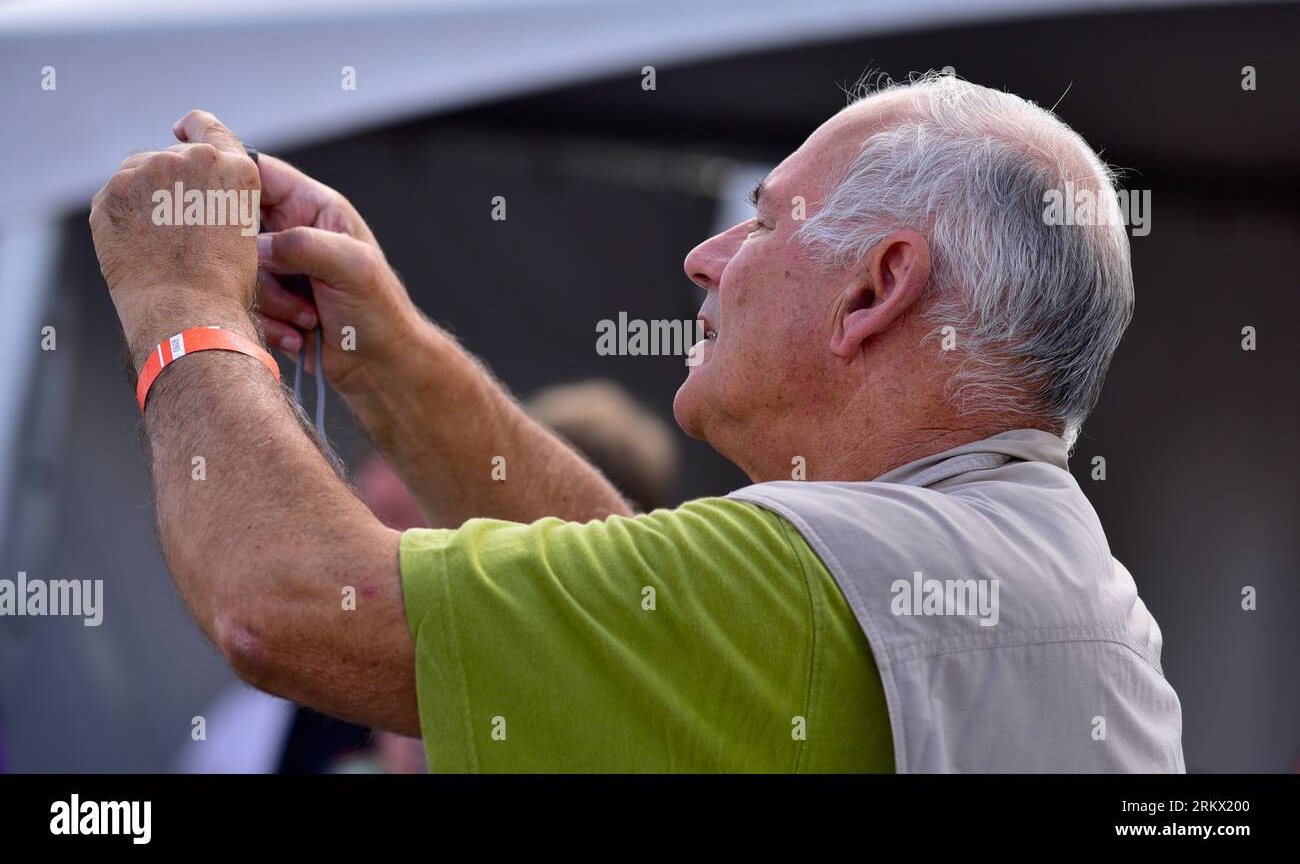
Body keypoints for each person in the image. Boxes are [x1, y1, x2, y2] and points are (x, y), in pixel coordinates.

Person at [88, 72, 1184, 772]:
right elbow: (650, 613)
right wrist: (388, 352)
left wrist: (176, 299)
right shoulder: (1023, 566)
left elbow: (277, 606)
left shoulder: (842, 572)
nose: (704, 257)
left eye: (761, 221)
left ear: (874, 288)